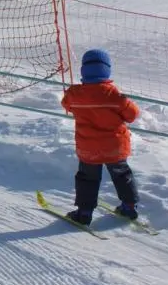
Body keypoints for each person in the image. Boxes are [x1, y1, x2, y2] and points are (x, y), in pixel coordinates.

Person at [61, 48, 141, 225]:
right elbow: (132, 115)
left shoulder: (74, 94)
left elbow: (66, 105)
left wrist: (70, 93)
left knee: (87, 178)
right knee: (122, 175)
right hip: (115, 147)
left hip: (89, 148)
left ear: (83, 70)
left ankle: (84, 212)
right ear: (107, 69)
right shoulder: (115, 95)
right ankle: (129, 207)